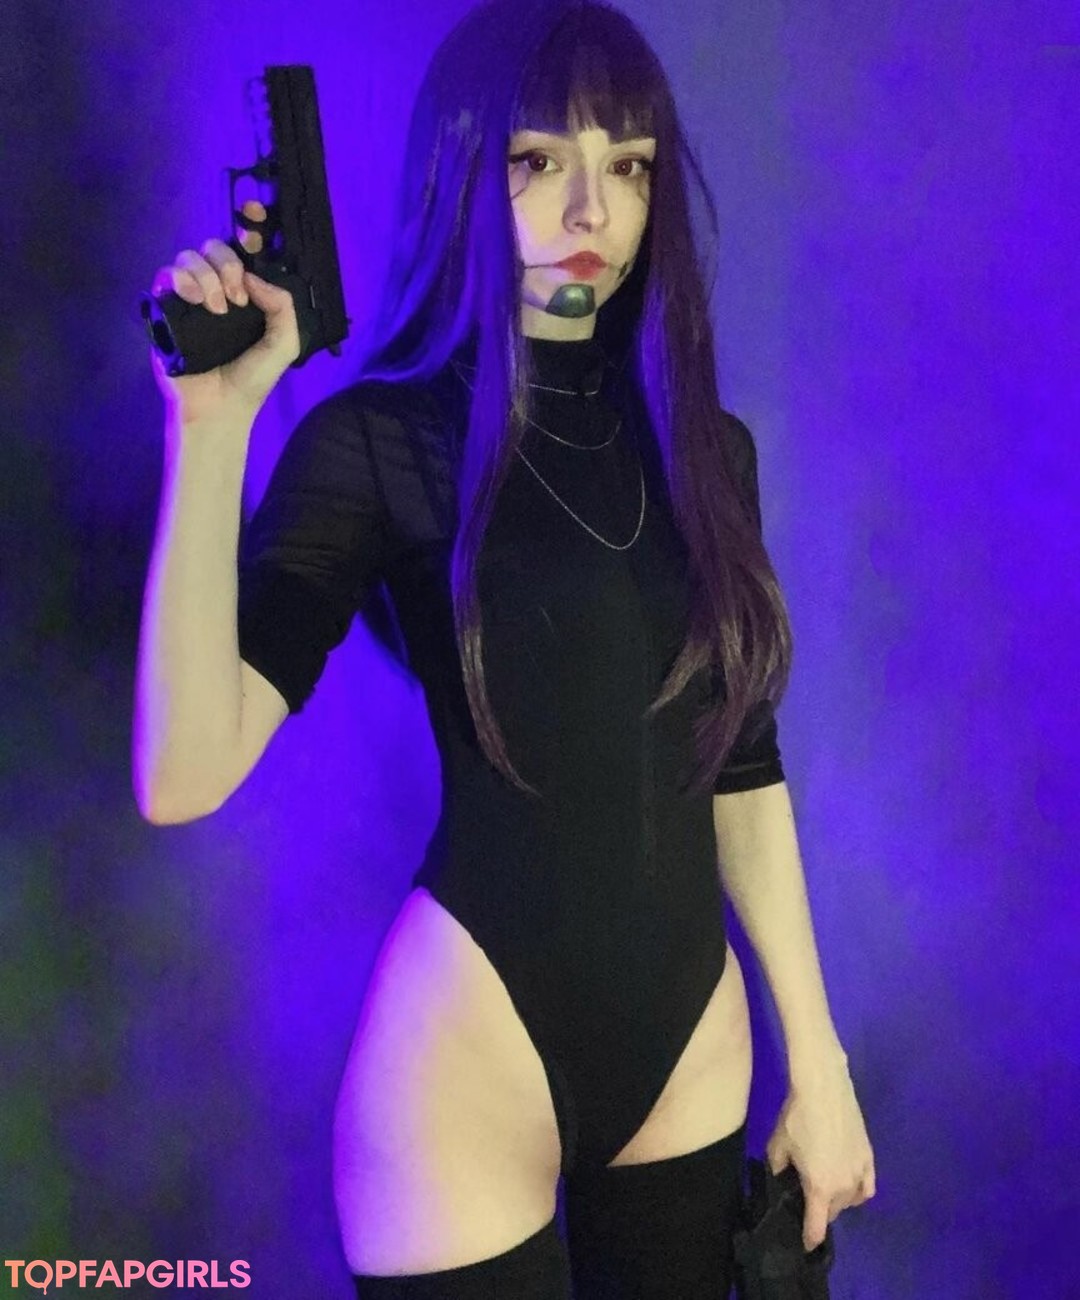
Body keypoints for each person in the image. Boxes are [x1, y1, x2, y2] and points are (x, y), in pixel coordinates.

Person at [134, 0, 876, 1295]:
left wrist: (819, 1063)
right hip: (471, 1061)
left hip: (691, 1057)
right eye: (540, 159)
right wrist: (211, 430)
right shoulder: (384, 447)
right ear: (467, 168)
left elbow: (741, 766)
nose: (592, 209)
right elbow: (183, 775)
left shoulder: (713, 454)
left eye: (627, 165)